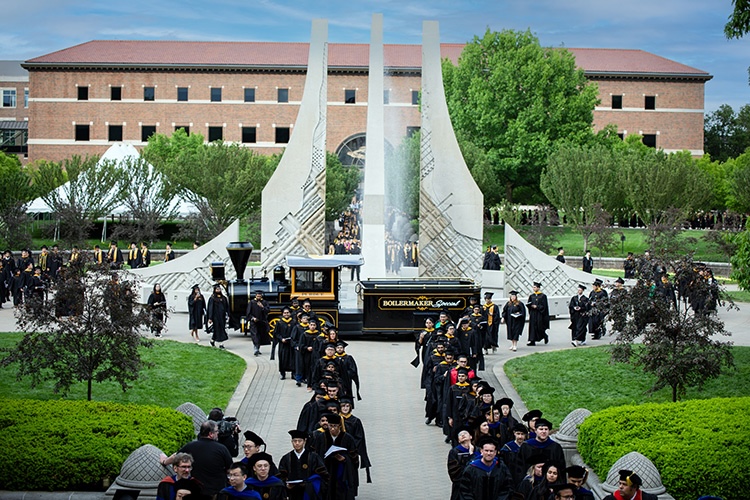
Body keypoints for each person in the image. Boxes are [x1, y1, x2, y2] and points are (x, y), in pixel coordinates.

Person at [160, 420, 233, 499]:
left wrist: (165, 461)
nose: (218, 433)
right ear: (211, 434)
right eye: (216, 431)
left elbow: (176, 457)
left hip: (198, 492)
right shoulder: (221, 449)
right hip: (217, 493)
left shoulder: (190, 446)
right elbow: (230, 468)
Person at [310, 413, 359, 500]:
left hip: (341, 473)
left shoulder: (348, 438)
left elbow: (354, 458)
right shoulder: (321, 438)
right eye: (330, 426)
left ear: (340, 426)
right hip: (326, 471)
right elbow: (314, 454)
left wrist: (345, 459)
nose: (332, 428)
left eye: (335, 426)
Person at [278, 430, 328, 500]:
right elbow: (281, 476)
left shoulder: (313, 457)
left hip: (310, 493)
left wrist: (308, 485)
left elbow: (323, 475)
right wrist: (286, 485)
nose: (297, 443)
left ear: (304, 441)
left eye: (299, 441)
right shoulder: (286, 458)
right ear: (292, 442)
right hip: (292, 493)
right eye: (294, 441)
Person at [447, 430, 477, 500]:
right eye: (460, 435)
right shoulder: (454, 452)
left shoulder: (478, 450)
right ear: (459, 440)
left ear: (471, 437)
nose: (463, 435)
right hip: (460, 487)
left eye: (465, 433)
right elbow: (454, 472)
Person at [245, 290, 270, 356]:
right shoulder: (252, 302)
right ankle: (256, 348)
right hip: (254, 322)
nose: (259, 297)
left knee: (260, 335)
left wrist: (262, 307)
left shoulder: (264, 302)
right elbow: (248, 313)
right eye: (257, 296)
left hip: (262, 322)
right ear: (255, 296)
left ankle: (258, 348)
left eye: (260, 296)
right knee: (255, 335)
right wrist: (253, 318)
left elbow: (268, 311)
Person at [275, 307, 296, 380]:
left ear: (290, 313)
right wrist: (281, 339)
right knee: (282, 358)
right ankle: (282, 373)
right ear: (282, 314)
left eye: (287, 313)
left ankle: (293, 373)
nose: (286, 314)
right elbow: (276, 333)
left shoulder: (294, 322)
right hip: (283, 344)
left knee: (292, 358)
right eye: (285, 313)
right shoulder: (279, 322)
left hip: (291, 343)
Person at [526, 282, 550, 346]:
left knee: (539, 327)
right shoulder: (531, 296)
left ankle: (545, 336)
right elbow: (529, 303)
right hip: (533, 314)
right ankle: (532, 341)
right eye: (533, 287)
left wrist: (537, 307)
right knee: (532, 327)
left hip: (539, 314)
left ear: (538, 288)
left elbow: (544, 306)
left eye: (535, 287)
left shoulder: (543, 296)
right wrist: (530, 306)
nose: (533, 288)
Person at [207, 284, 230, 349]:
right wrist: (210, 318)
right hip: (215, 317)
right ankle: (220, 344)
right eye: (217, 289)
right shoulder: (212, 298)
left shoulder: (223, 298)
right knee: (217, 329)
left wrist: (228, 314)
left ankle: (213, 341)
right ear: (214, 290)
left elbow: (227, 307)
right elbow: (210, 308)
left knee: (222, 329)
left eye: (219, 289)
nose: (218, 290)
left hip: (222, 317)